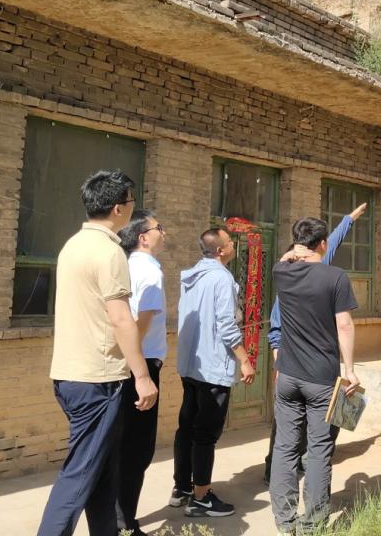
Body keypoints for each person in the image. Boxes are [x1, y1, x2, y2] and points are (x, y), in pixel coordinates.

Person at [36, 170, 158, 536]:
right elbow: (120, 318)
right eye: (131, 202)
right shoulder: (109, 252)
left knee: (103, 473)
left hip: (70, 375)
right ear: (119, 208)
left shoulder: (73, 245)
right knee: (78, 477)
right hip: (98, 380)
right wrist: (142, 376)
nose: (132, 208)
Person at [264, 202, 367, 481]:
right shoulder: (289, 286)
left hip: (310, 369)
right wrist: (278, 359)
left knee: (314, 424)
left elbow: (329, 244)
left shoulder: (308, 272)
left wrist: (348, 219)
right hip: (296, 366)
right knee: (291, 427)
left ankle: (298, 465)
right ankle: (278, 468)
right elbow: (276, 329)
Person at [171, 228, 255, 518]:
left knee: (187, 428)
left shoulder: (193, 275)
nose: (233, 245)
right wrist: (244, 359)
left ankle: (182, 488)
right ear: (220, 250)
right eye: (230, 242)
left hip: (190, 364)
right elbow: (227, 326)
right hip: (212, 368)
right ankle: (201, 498)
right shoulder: (221, 278)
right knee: (206, 434)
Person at [114, 210, 168, 536]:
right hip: (141, 365)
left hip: (124, 364)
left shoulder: (125, 266)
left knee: (122, 446)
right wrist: (141, 374)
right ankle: (124, 525)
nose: (164, 232)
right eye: (159, 228)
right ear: (143, 238)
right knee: (137, 450)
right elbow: (140, 326)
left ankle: (115, 519)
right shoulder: (149, 271)